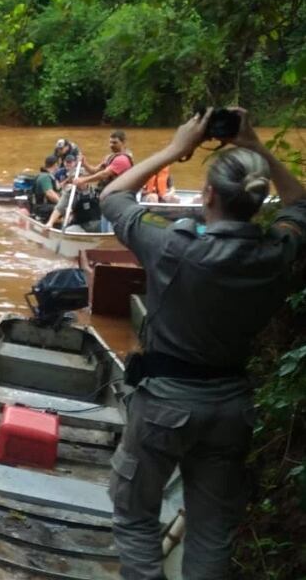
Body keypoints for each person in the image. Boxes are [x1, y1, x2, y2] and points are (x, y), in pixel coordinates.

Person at [99, 107, 306, 580]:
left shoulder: (175, 248)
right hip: (231, 408)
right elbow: (301, 204)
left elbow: (112, 195)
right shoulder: (276, 250)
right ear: (256, 201)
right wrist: (255, 146)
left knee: (135, 517)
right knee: (212, 533)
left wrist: (176, 148)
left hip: (165, 405)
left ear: (208, 194)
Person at [30, 155, 62, 222]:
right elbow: (50, 193)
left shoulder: (46, 176)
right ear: (55, 165)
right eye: (59, 164)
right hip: (41, 207)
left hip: (44, 206)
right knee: (63, 208)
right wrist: (62, 204)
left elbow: (57, 189)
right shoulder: (45, 177)